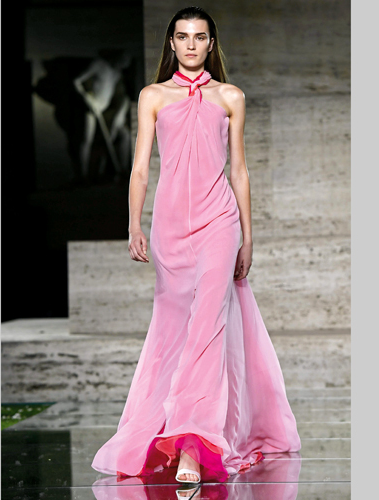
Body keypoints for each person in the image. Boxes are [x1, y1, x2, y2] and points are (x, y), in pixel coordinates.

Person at [91, 6, 301, 484]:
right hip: (168, 228)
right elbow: (140, 168)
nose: (191, 44)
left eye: (199, 37)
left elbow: (239, 170)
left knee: (208, 327)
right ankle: (166, 430)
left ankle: (192, 446)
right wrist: (134, 224)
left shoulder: (230, 96)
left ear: (211, 43)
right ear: (171, 43)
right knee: (173, 332)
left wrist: (248, 237)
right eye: (183, 36)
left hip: (218, 223)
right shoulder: (152, 96)